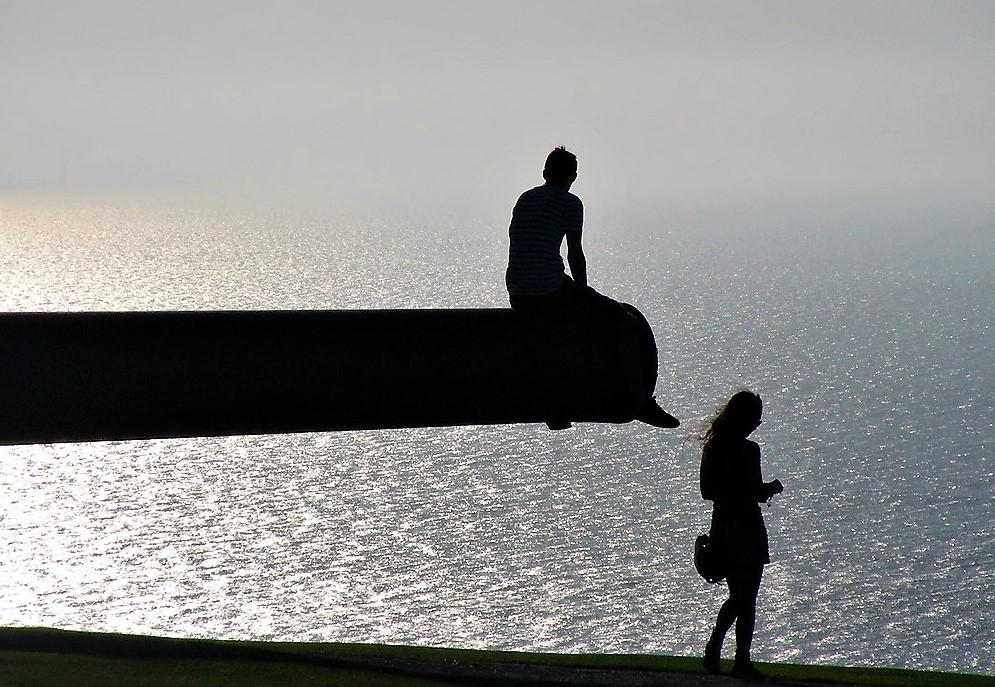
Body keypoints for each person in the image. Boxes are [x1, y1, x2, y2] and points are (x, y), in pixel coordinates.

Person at [699, 390, 783, 679]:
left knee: (741, 596)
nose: (756, 426)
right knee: (746, 597)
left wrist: (740, 491)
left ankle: (719, 649)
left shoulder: (715, 447)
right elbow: (754, 492)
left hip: (724, 525)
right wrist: (770, 487)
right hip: (745, 526)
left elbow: (707, 491)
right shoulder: (748, 451)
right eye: (755, 420)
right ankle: (738, 659)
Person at [505, 146, 592, 311]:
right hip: (548, 290)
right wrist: (583, 295)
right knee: (612, 311)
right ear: (573, 177)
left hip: (517, 293)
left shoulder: (525, 199)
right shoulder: (570, 203)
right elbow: (575, 254)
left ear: (545, 173)